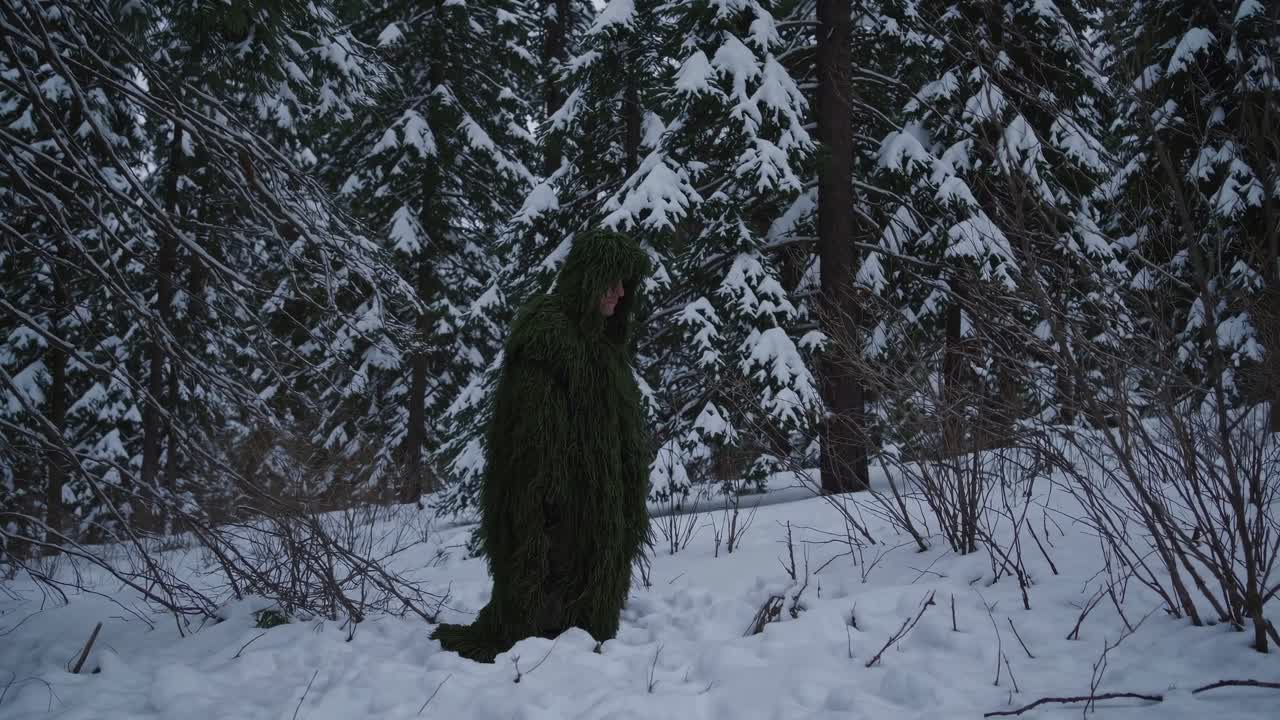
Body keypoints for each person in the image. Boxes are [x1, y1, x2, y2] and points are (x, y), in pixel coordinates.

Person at [431, 229, 653, 662]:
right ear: (588, 280)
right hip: (558, 513)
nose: (620, 292)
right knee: (547, 635)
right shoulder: (549, 342)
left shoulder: (605, 348)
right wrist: (554, 510)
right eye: (611, 282)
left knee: (586, 632)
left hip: (598, 512)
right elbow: (533, 444)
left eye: (625, 283)